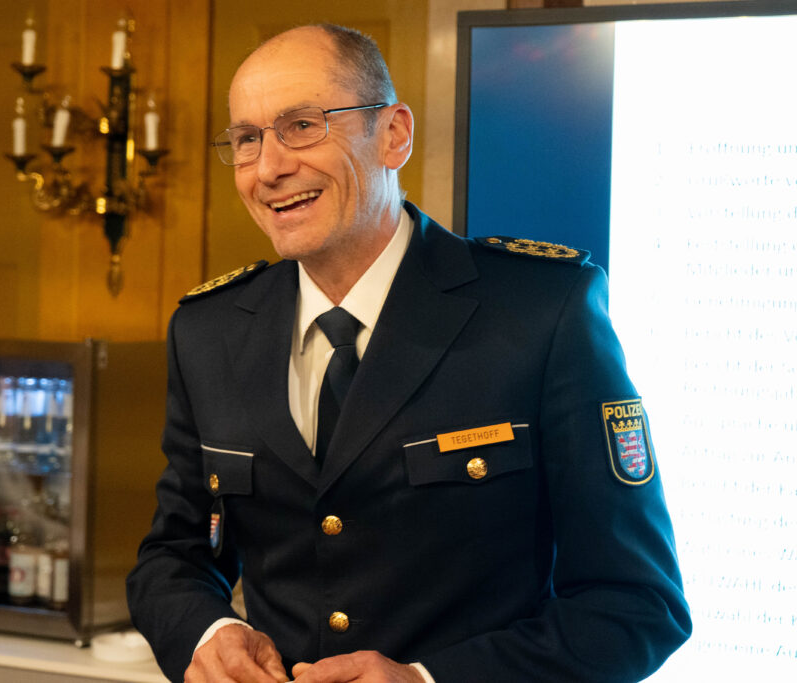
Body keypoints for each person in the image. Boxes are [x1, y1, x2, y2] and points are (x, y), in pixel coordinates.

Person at [126, 23, 690, 683]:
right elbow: (173, 555)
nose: (269, 168)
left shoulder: (541, 312)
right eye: (248, 138)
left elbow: (636, 606)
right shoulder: (209, 330)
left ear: (393, 134)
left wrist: (428, 679)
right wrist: (210, 632)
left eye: (302, 126)